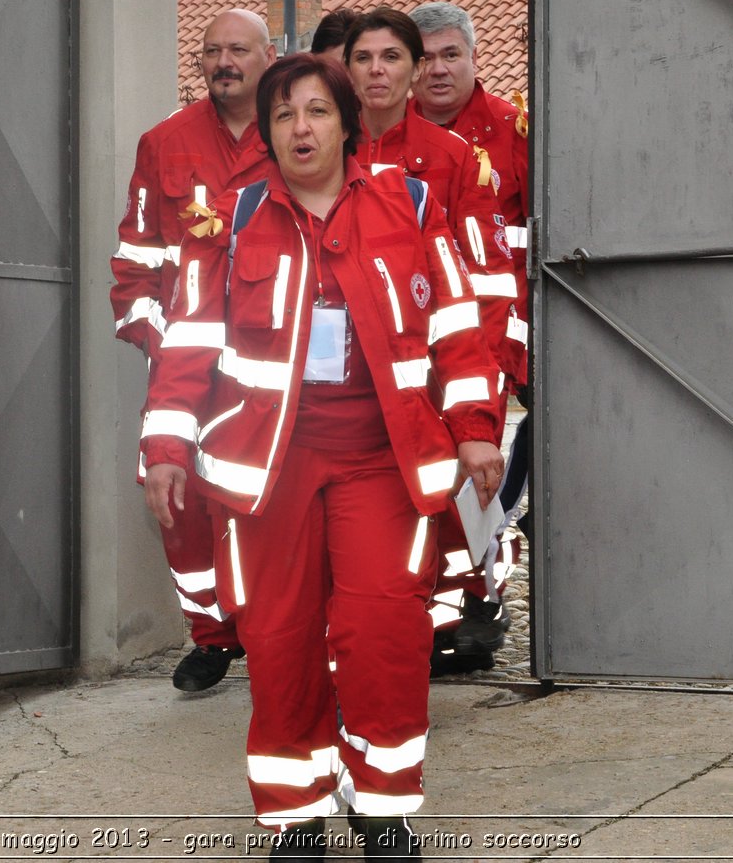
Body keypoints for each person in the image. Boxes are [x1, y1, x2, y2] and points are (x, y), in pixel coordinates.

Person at [141, 54, 503, 858]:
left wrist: (475, 422)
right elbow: (189, 341)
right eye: (283, 115)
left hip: (382, 461)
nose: (300, 128)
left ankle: (382, 806)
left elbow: (456, 326)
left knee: (383, 634)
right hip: (269, 471)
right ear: (268, 131)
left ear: (346, 123)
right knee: (279, 641)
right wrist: (166, 443)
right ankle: (295, 813)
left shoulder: (409, 207)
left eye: (316, 112)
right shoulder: (230, 223)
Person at [342, 8, 520, 669]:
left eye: (392, 57)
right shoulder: (334, 152)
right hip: (365, 380)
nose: (377, 71)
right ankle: (424, 626)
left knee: (455, 504)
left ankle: (470, 607)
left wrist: (483, 385)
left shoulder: (453, 161)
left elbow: (487, 283)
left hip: (449, 370)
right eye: (364, 58)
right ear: (348, 70)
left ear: (412, 70)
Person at [111, 9, 276, 691]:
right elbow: (136, 260)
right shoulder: (164, 142)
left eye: (238, 49)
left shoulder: (297, 136)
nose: (223, 61)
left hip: (271, 362)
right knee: (173, 494)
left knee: (265, 496)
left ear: (269, 57)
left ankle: (269, 628)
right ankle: (209, 633)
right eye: (211, 51)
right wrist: (158, 337)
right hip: (185, 364)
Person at [409, 2, 533, 665]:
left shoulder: (513, 130)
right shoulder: (383, 139)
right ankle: (445, 612)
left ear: (474, 58)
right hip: (416, 346)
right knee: (431, 484)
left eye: (450, 55)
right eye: (423, 56)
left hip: (495, 335)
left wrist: (516, 350)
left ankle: (485, 596)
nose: (437, 69)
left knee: (482, 470)